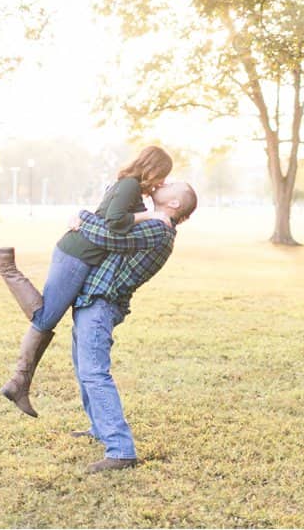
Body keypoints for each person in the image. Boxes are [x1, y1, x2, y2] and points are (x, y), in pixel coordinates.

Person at [0, 146, 173, 418]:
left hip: (82, 254)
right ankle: (5, 265)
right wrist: (151, 215)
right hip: (76, 255)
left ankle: (20, 383)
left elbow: (107, 217)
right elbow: (114, 223)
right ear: (152, 168)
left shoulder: (129, 187)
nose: (162, 182)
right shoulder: (129, 185)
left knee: (46, 318)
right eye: (162, 175)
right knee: (44, 319)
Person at [66, 181, 198, 473]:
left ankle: (121, 450)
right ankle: (99, 429)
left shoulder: (159, 230)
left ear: (174, 204)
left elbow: (108, 236)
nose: (163, 183)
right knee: (83, 368)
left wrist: (81, 216)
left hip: (102, 303)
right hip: (93, 300)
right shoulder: (153, 222)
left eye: (171, 185)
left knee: (94, 372)